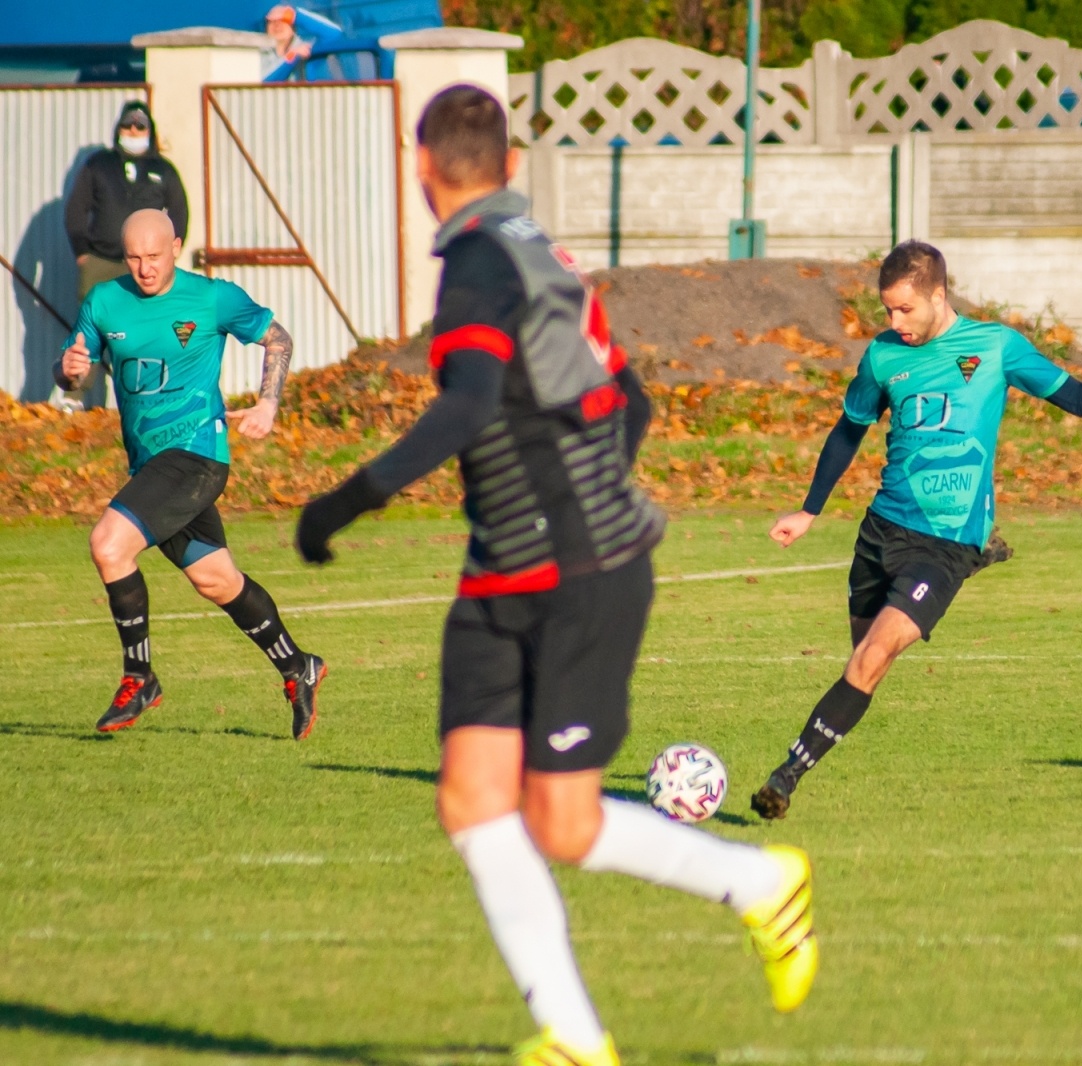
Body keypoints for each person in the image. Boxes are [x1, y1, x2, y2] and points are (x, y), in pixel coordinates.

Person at [293, 85, 817, 1066]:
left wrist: (343, 502)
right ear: (511, 163)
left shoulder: (480, 266)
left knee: (561, 820)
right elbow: (635, 404)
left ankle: (760, 885)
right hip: (511, 569)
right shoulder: (539, 250)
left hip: (573, 574)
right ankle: (574, 1039)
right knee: (472, 798)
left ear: (419, 167)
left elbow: (465, 407)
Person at [751, 240, 1082, 820]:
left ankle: (786, 775)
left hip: (943, 545)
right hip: (880, 532)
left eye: (906, 310)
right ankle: (979, 555)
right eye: (888, 312)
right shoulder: (882, 357)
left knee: (872, 657)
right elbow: (849, 430)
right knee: (863, 658)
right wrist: (809, 509)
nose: (896, 323)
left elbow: (1079, 400)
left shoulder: (995, 347)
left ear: (938, 296)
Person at [54, 209, 326, 738]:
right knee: (216, 579)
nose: (144, 268)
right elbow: (73, 374)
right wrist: (69, 372)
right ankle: (299, 667)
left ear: (176, 246)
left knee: (109, 544)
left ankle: (140, 677)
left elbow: (279, 339)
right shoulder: (105, 302)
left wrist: (269, 404)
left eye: (153, 256)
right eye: (133, 257)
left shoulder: (212, 297)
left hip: (198, 455)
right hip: (151, 465)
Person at [64, 101, 189, 301]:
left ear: (149, 131)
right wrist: (82, 252)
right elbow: (76, 208)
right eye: (127, 124)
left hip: (146, 267)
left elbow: (179, 212)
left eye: (140, 126)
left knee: (145, 322)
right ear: (118, 128)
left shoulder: (164, 169)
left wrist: (170, 252)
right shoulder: (99, 164)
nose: (133, 130)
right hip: (102, 261)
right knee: (95, 325)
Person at [263, 5, 388, 82]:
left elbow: (334, 34)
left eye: (283, 20)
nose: (277, 25)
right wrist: (290, 58)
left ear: (294, 27)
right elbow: (260, 84)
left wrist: (296, 15)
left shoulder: (305, 51)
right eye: (271, 21)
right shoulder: (257, 55)